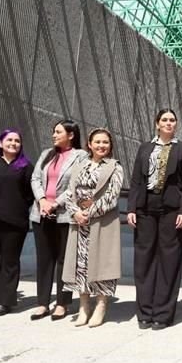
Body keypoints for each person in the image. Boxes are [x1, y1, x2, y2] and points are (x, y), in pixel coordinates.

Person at [127, 109, 182, 330]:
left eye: (172, 120)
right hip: (145, 210)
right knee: (143, 261)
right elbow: (136, 180)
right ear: (157, 123)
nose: (168, 123)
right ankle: (144, 312)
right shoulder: (145, 148)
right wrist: (131, 208)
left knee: (169, 260)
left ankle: (163, 314)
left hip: (171, 212)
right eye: (164, 120)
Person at [61, 129, 124, 328]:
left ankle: (101, 305)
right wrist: (75, 213)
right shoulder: (80, 166)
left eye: (105, 142)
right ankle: (83, 306)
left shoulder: (115, 167)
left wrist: (90, 213)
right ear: (89, 144)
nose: (101, 146)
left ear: (110, 145)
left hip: (102, 221)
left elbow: (112, 196)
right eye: (97, 142)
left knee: (103, 263)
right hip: (79, 222)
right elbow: (69, 193)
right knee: (80, 264)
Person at [29, 120, 88, 321]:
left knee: (64, 259)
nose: (54, 135)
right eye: (53, 132)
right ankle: (42, 303)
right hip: (41, 213)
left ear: (71, 135)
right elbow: (35, 179)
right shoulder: (46, 154)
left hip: (64, 215)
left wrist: (56, 203)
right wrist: (43, 200)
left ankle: (62, 303)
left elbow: (77, 185)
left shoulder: (81, 156)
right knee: (44, 260)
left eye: (58, 132)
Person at [0, 129, 34, 317]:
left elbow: (29, 195)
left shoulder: (25, 166)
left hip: (15, 221)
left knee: (9, 261)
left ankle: (5, 301)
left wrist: (15, 207)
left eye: (17, 141)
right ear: (0, 143)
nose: (13, 143)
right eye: (9, 140)